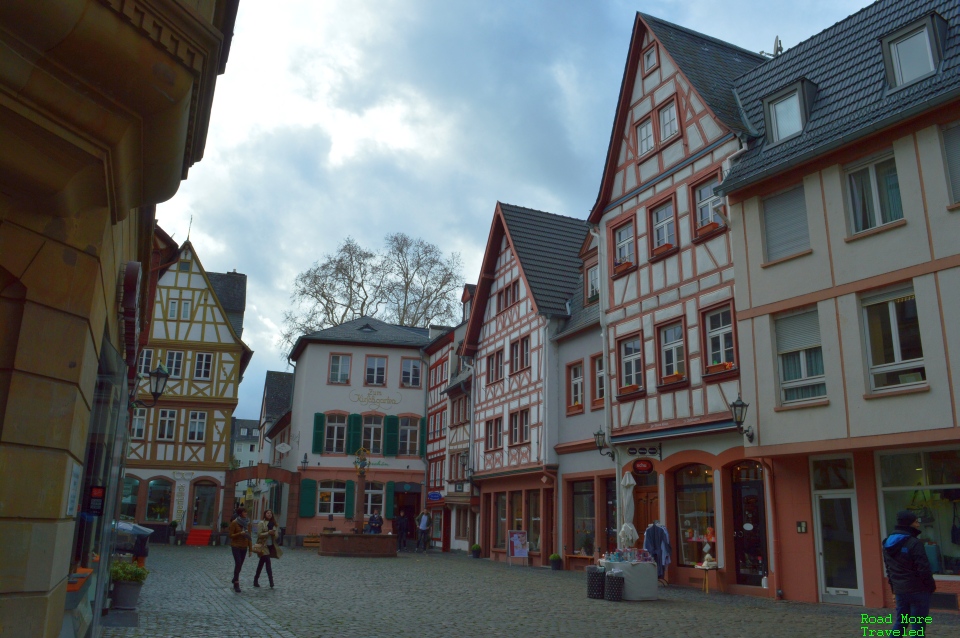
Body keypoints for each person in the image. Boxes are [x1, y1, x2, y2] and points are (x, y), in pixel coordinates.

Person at [882, 510, 936, 635]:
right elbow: (923, 568)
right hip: (918, 590)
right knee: (918, 626)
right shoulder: (914, 543)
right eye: (916, 522)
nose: (918, 525)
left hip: (901, 591)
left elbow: (889, 570)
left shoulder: (887, 544)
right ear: (909, 523)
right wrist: (930, 587)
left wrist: (894, 590)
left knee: (901, 623)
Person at [254, 509, 281, 588]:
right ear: (265, 514)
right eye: (268, 513)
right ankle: (271, 582)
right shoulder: (261, 523)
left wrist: (274, 534)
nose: (269, 514)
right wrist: (268, 533)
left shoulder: (274, 524)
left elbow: (276, 536)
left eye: (270, 513)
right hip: (263, 546)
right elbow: (259, 534)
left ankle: (255, 580)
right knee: (268, 563)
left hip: (270, 546)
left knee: (261, 563)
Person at [228, 506, 252, 593]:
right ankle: (236, 583)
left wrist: (250, 549)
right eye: (244, 512)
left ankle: (234, 578)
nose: (246, 513)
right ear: (240, 513)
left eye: (246, 512)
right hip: (236, 546)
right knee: (238, 563)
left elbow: (249, 536)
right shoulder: (235, 523)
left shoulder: (248, 523)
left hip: (244, 546)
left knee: (240, 565)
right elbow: (230, 535)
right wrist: (239, 533)